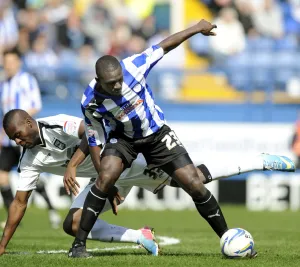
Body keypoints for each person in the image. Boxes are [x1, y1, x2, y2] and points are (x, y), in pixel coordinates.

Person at [70, 19, 295, 258]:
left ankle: (228, 238)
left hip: (156, 134)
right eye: (111, 83)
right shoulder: (90, 101)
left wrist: (197, 28)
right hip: (123, 139)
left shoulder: (134, 67)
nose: (117, 85)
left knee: (194, 183)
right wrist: (102, 176)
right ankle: (78, 247)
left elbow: (165, 45)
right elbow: (93, 139)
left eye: (119, 80)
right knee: (104, 178)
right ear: (98, 80)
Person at [0, 109, 294, 257]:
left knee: (193, 180)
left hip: (123, 160)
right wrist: (3, 246)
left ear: (28, 122)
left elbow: (89, 133)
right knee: (73, 225)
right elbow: (20, 202)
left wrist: (74, 166)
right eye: (13, 138)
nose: (16, 140)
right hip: (104, 179)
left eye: (17, 134)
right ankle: (141, 237)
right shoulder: (29, 158)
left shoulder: (56, 123)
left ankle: (259, 160)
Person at [0, 50, 61, 229]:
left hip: (22, 138)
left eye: (11, 61)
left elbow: (35, 105)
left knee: (32, 178)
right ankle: (14, 219)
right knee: (2, 178)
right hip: (8, 140)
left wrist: (20, 126)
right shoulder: (4, 85)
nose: (8, 65)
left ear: (19, 62)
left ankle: (52, 210)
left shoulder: (26, 80)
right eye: (5, 62)